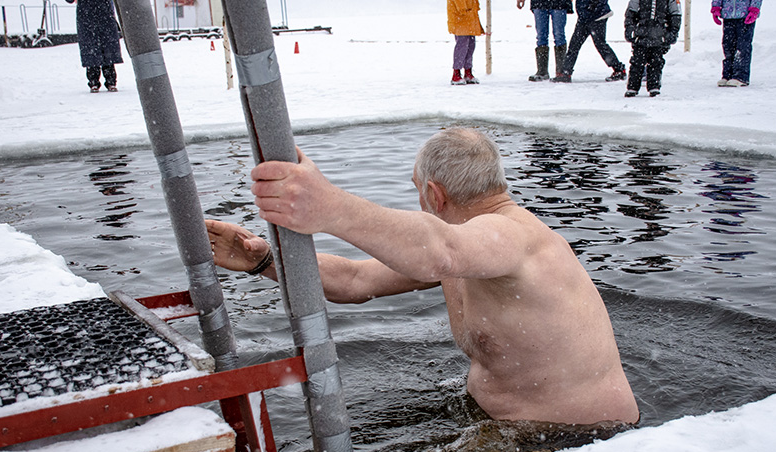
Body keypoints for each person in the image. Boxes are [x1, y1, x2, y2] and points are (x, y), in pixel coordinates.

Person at [206, 128, 640, 429]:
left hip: (582, 440)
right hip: (514, 428)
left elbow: (439, 250)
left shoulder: (514, 237)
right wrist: (263, 263)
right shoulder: (469, 249)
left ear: (434, 194)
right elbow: (355, 281)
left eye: (417, 191)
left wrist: (330, 207)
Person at [553, 0, 627, 83]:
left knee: (599, 44)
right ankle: (566, 72)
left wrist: (594, 5)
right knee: (575, 44)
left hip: (596, 16)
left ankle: (618, 69)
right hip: (585, 16)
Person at [624, 0, 682, 98]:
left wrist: (672, 33)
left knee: (656, 62)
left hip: (659, 35)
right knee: (637, 61)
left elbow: (675, 15)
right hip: (641, 34)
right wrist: (630, 29)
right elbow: (630, 13)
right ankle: (633, 86)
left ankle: (654, 86)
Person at [66, 0, 123, 93]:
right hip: (98, 13)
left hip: (91, 14)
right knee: (101, 48)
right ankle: (106, 81)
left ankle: (97, 81)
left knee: (95, 49)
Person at [517, 0, 574, 82]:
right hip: (539, 3)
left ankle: (561, 71)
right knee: (541, 36)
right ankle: (542, 71)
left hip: (559, 3)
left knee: (559, 35)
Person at [711, 0, 762, 87]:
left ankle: (741, 76)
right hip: (728, 14)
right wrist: (716, 6)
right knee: (728, 46)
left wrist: (754, 9)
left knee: (742, 46)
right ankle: (728, 74)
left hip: (745, 14)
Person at [447, 0, 484, 85]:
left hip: (470, 19)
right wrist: (466, 10)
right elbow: (460, 6)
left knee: (471, 45)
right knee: (462, 46)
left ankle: (468, 71)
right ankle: (456, 73)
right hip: (460, 18)